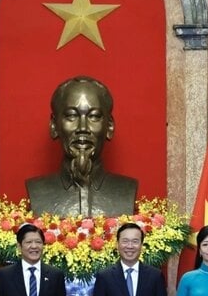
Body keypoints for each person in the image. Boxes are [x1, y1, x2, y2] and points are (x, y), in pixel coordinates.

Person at [26, 76, 138, 217]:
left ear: (109, 126)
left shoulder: (126, 190)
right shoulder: (37, 191)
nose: (83, 128)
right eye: (71, 116)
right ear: (54, 126)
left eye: (94, 116)